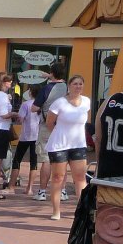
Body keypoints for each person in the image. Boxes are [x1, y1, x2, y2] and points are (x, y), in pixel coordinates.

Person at [44, 74, 90, 221]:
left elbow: (85, 121)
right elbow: (49, 123)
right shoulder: (59, 103)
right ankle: (56, 210)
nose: (78, 86)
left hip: (78, 145)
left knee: (80, 178)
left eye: (80, 84)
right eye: (75, 84)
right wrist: (59, 134)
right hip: (59, 145)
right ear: (69, 86)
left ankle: (82, 211)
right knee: (58, 178)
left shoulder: (86, 102)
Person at [34, 61, 68, 203]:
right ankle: (63, 191)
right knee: (62, 159)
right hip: (63, 126)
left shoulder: (46, 89)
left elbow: (35, 108)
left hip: (47, 126)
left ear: (52, 73)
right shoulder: (67, 87)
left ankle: (42, 192)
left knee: (46, 159)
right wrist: (50, 75)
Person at [10, 86, 42, 195]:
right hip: (37, 136)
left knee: (17, 160)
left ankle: (11, 186)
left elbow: (20, 119)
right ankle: (30, 188)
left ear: (30, 93)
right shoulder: (42, 105)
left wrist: (15, 115)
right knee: (34, 162)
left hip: (26, 136)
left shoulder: (26, 104)